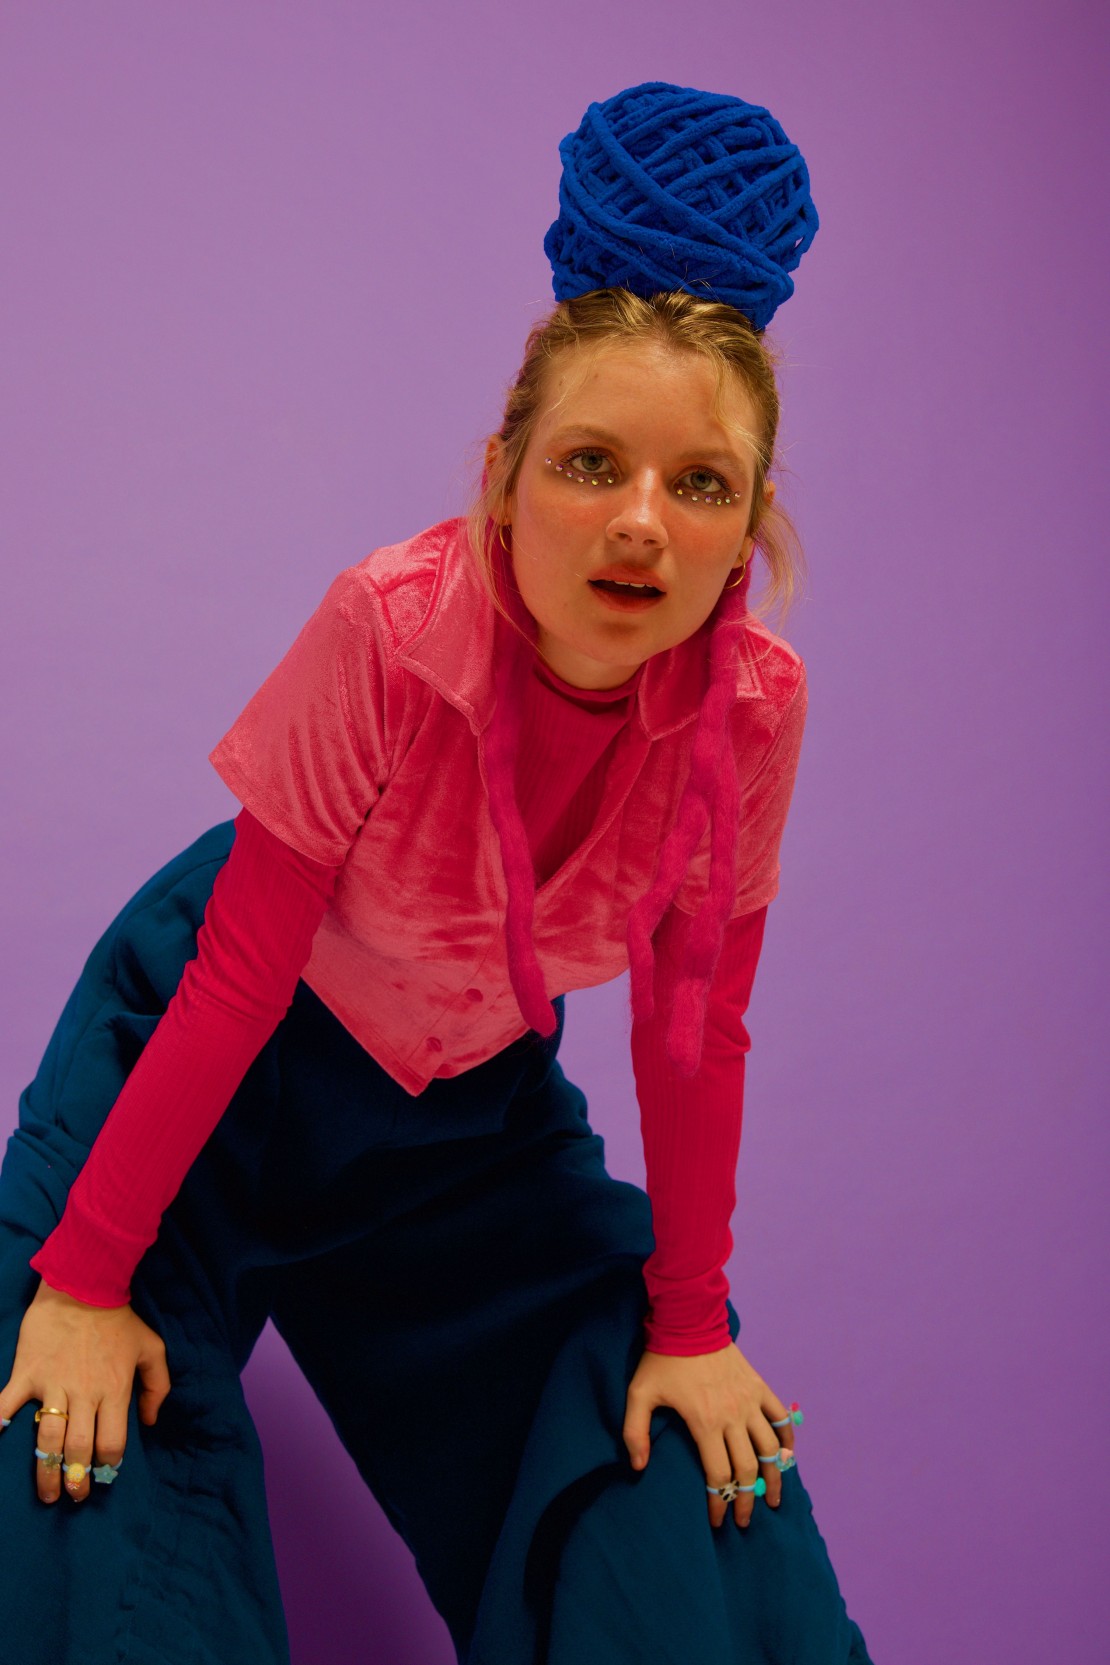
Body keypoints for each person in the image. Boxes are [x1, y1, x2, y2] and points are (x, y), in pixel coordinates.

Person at [0, 82, 874, 1663]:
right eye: (590, 462)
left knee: (679, 1464)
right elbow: (239, 974)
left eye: (698, 483)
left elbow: (692, 1027)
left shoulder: (752, 706)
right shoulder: (391, 626)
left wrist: (689, 1323)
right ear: (502, 474)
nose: (638, 524)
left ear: (746, 526)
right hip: (212, 1062)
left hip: (464, 1111)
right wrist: (83, 1275)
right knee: (76, 1469)